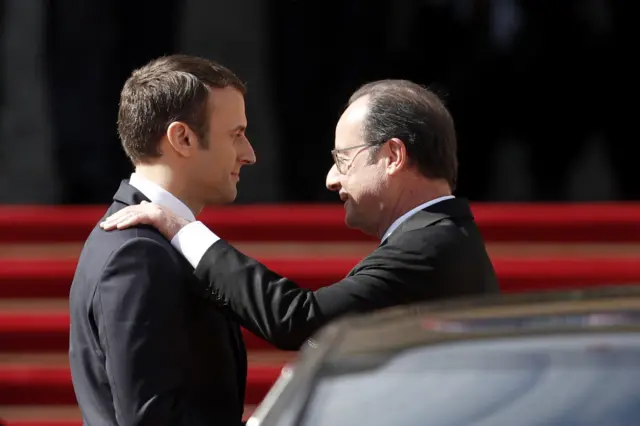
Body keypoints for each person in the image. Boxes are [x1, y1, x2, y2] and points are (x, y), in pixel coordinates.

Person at [101, 79, 499, 351]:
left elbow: (299, 319)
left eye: (343, 160)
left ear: (392, 156)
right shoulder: (441, 238)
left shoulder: (429, 245)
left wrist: (183, 230)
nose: (330, 180)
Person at [69, 54, 256, 425]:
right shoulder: (137, 254)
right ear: (182, 138)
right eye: (236, 135)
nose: (249, 154)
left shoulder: (147, 243)